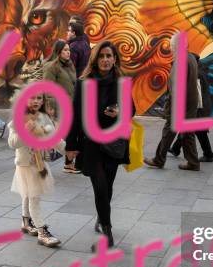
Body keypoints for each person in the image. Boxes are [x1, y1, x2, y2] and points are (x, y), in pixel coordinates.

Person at [66, 41, 133, 251]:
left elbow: (131, 109)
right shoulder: (84, 83)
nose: (106, 60)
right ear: (95, 60)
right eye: (102, 56)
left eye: (109, 56)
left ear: (115, 59)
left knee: (108, 187)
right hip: (91, 143)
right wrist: (71, 144)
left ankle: (102, 217)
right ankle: (108, 231)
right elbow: (74, 116)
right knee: (100, 187)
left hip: (114, 143)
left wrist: (119, 112)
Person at [8, 91, 63, 247]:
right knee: (34, 197)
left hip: (40, 163)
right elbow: (12, 143)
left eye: (39, 98)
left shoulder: (44, 118)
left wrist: (70, 151)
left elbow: (55, 139)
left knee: (28, 193)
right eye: (32, 97)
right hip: (26, 164)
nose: (36, 101)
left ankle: (26, 222)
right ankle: (41, 231)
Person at [144, 34, 200, 171]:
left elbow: (176, 89)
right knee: (187, 133)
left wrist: (170, 110)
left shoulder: (181, 61)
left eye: (172, 46)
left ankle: (159, 160)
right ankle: (193, 162)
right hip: (190, 103)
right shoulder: (191, 57)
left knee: (168, 132)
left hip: (180, 105)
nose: (170, 48)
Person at [168, 56, 213, 162]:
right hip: (202, 106)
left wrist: (194, 108)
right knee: (196, 130)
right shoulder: (200, 71)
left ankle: (208, 155)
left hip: (199, 107)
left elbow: (197, 94)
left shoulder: (196, 74)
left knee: (195, 130)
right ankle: (176, 149)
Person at [42, 39, 78, 173]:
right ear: (58, 51)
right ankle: (41, 158)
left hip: (70, 105)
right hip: (58, 106)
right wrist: (51, 108)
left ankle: (69, 163)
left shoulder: (69, 65)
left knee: (69, 135)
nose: (68, 52)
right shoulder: (51, 66)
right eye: (65, 50)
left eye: (69, 50)